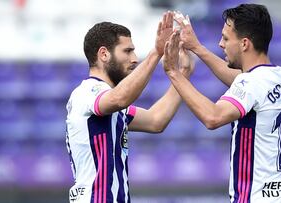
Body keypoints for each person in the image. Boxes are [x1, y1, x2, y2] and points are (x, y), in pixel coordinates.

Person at [165, 4, 281, 202]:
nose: (221, 44)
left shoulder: (251, 84)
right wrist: (197, 48)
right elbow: (244, 81)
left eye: (226, 38)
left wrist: (174, 73)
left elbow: (213, 117)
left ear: (245, 43)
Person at [65, 12, 194, 203]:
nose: (134, 58)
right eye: (127, 51)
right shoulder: (87, 92)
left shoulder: (107, 101)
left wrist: (183, 72)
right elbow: (120, 99)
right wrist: (156, 52)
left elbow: (156, 120)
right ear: (104, 54)